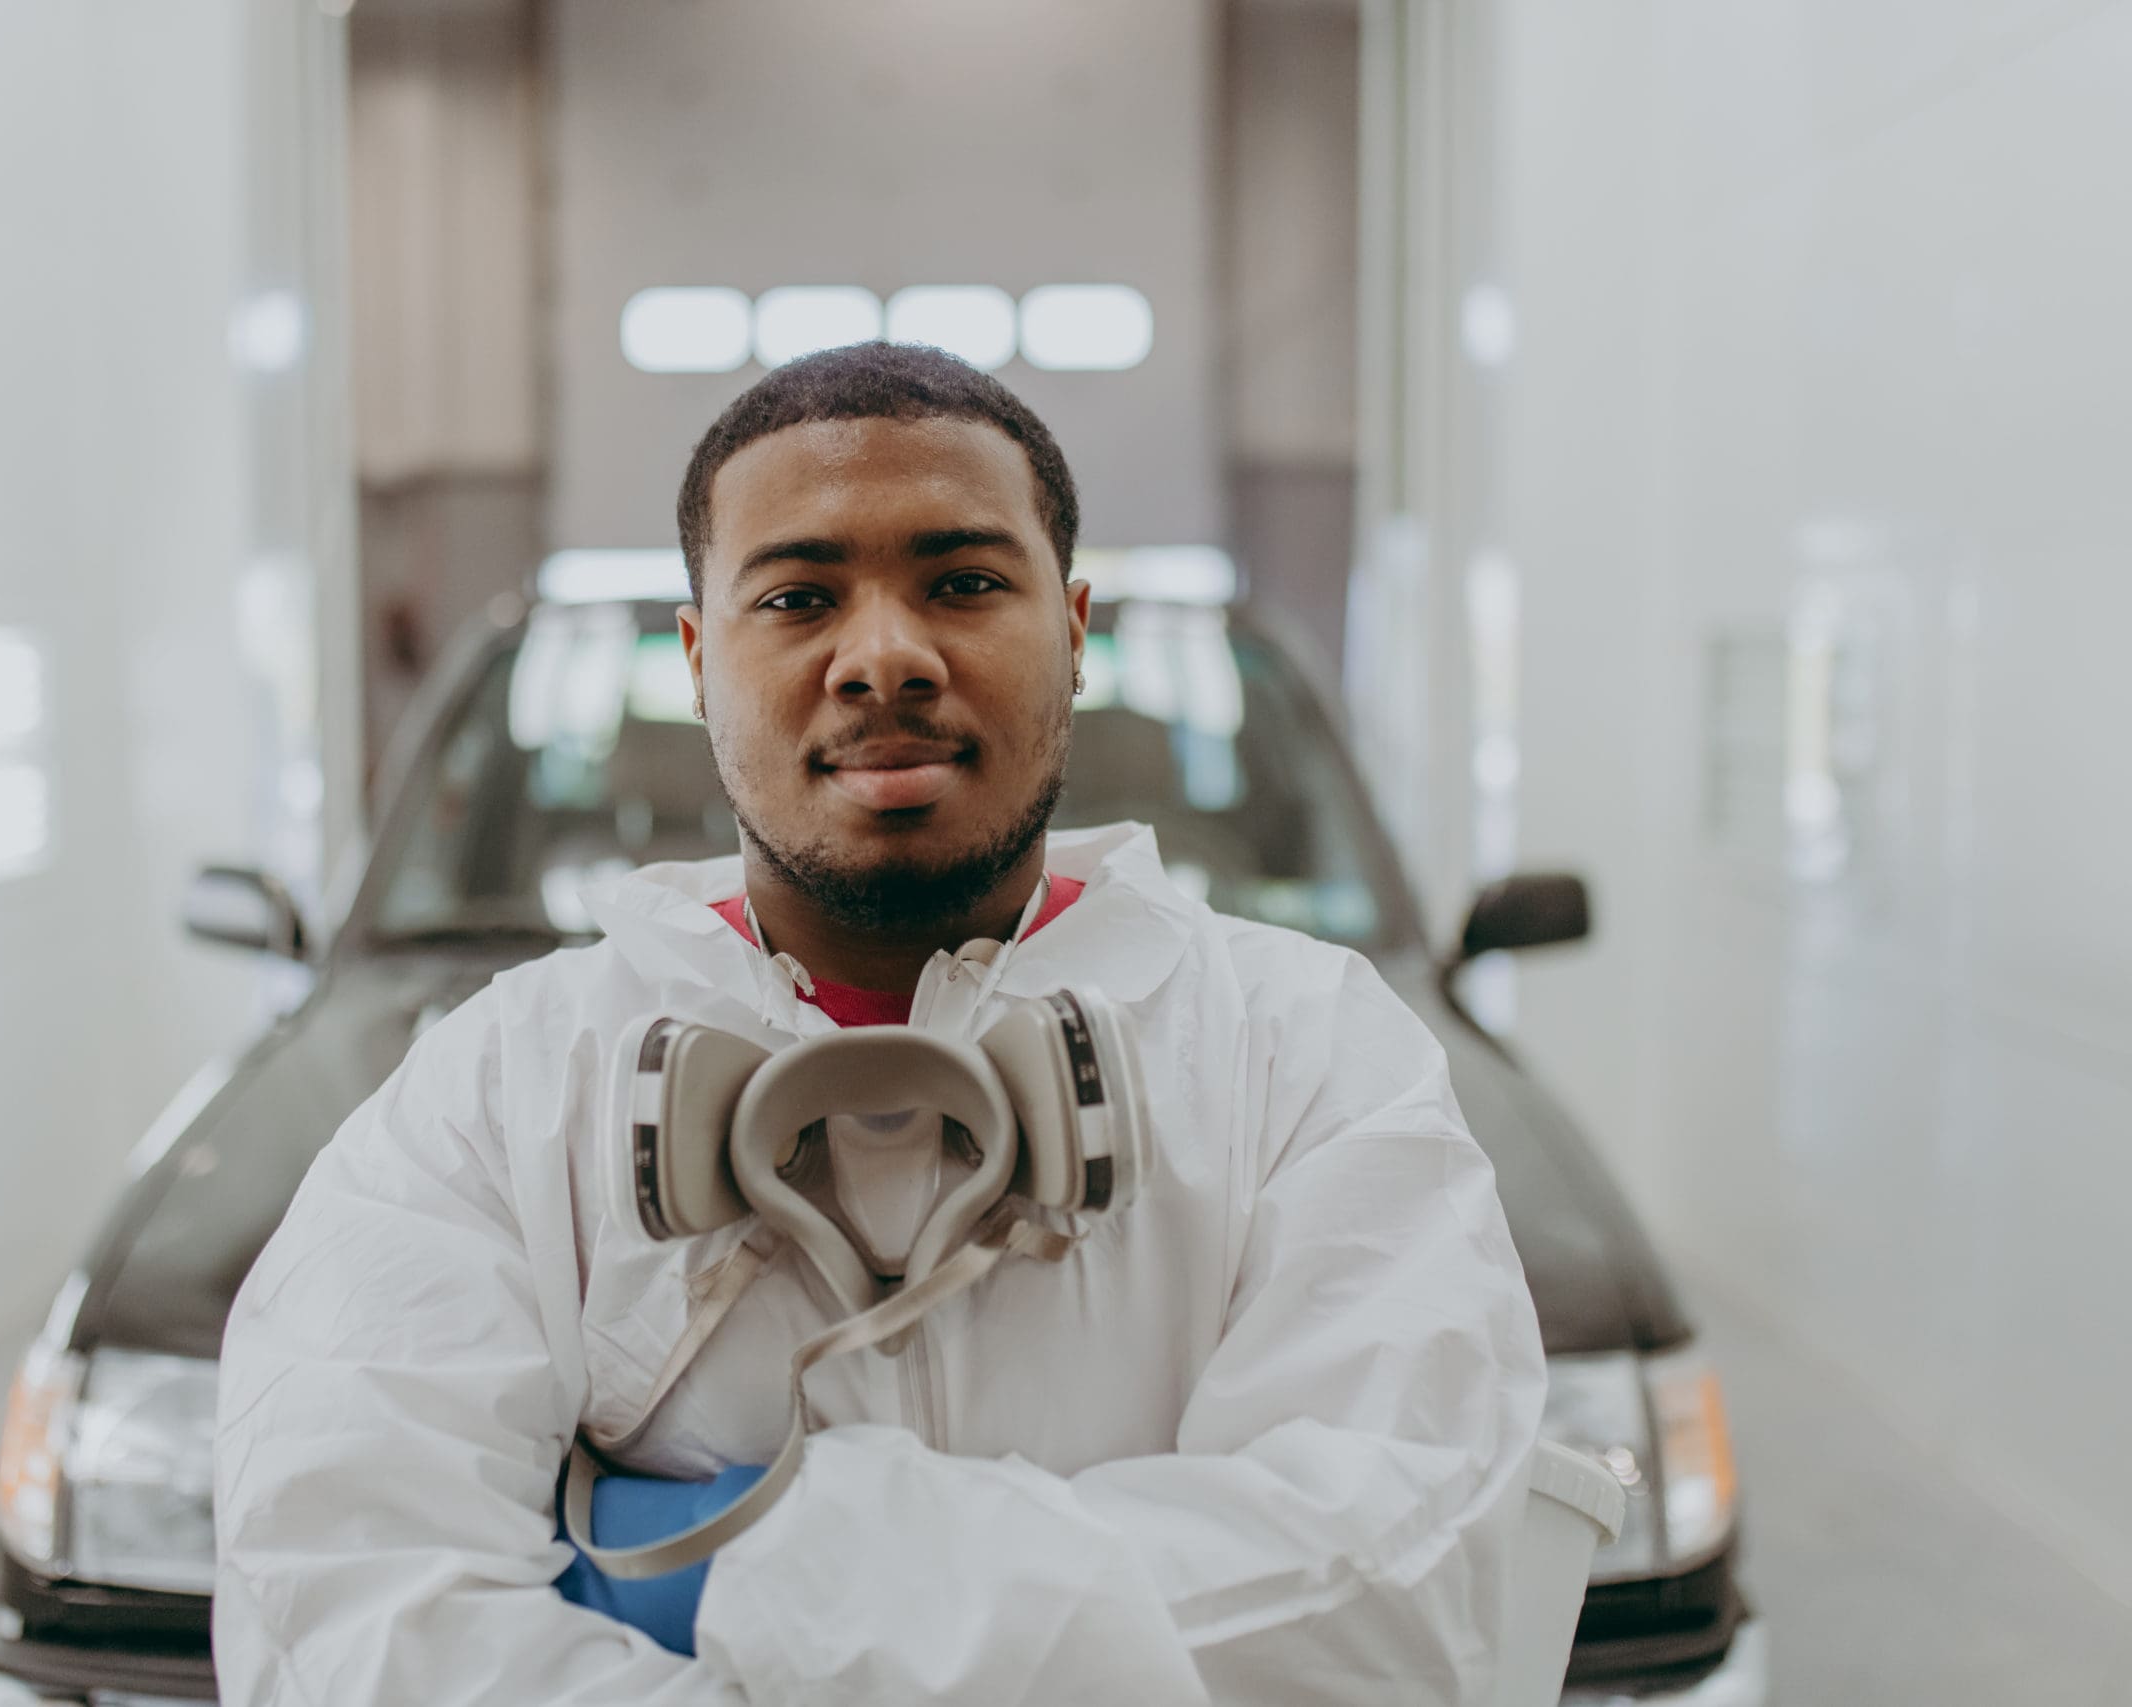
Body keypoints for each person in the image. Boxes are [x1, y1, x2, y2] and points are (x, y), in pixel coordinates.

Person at [212, 343, 1546, 1705]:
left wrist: (707, 1574)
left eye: (963, 583)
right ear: (696, 659)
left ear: (1076, 630)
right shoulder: (499, 1091)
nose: (886, 657)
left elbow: (1393, 1601)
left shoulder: (1313, 1056)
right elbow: (347, 1603)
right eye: (799, 597)